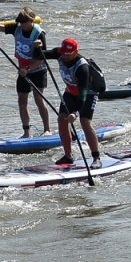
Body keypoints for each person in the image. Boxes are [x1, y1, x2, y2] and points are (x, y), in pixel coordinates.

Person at [0, 6, 50, 136]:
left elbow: (41, 59)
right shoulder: (17, 28)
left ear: (31, 20)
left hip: (38, 70)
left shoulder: (39, 34)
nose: (22, 24)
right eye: (20, 22)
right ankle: (26, 133)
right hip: (22, 70)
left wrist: (28, 69)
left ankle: (47, 130)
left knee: (38, 99)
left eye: (24, 22)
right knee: (22, 101)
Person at [45, 37, 100, 167]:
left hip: (88, 94)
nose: (65, 56)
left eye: (69, 54)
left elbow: (83, 95)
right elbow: (38, 55)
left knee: (85, 122)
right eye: (64, 53)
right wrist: (37, 48)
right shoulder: (59, 53)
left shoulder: (82, 68)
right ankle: (68, 156)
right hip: (70, 92)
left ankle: (96, 157)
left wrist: (75, 113)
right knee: (62, 119)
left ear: (76, 52)